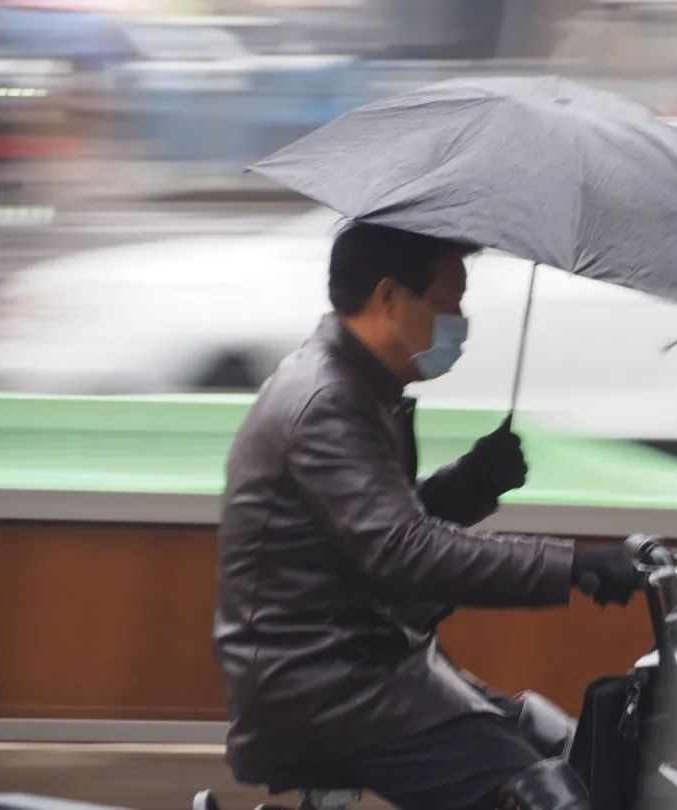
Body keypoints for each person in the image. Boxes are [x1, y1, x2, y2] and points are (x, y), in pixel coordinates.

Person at [213, 222, 638, 810]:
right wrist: (575, 566)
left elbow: (368, 535)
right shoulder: (329, 402)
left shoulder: (357, 389)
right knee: (541, 796)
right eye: (448, 303)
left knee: (559, 743)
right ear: (389, 298)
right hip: (329, 691)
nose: (458, 321)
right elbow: (400, 552)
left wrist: (472, 483)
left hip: (375, 670)